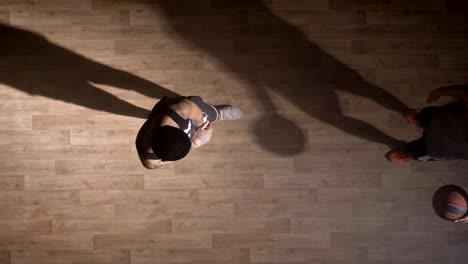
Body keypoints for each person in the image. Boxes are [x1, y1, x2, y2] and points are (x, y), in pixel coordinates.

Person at [136, 96, 242, 169]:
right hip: (165, 122)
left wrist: (201, 126)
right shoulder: (150, 160)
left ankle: (215, 113)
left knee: (195, 102)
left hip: (173, 107)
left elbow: (198, 115)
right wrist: (195, 143)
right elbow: (164, 162)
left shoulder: (181, 109)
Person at [386, 85, 468, 163]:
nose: (398, 157)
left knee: (418, 151)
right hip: (440, 129)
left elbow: (463, 92)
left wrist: (437, 93)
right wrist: (437, 93)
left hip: (440, 129)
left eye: (397, 156)